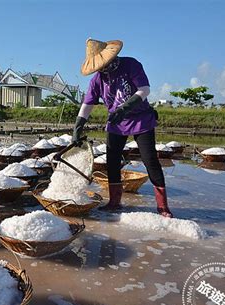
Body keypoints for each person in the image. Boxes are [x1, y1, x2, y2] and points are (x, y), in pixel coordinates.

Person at [72, 38, 173, 218]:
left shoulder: (130, 65)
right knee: (112, 161)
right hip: (116, 121)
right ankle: (114, 202)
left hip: (141, 119)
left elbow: (144, 90)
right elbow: (88, 103)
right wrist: (78, 126)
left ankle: (162, 206)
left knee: (150, 160)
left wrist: (124, 108)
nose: (102, 69)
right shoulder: (97, 79)